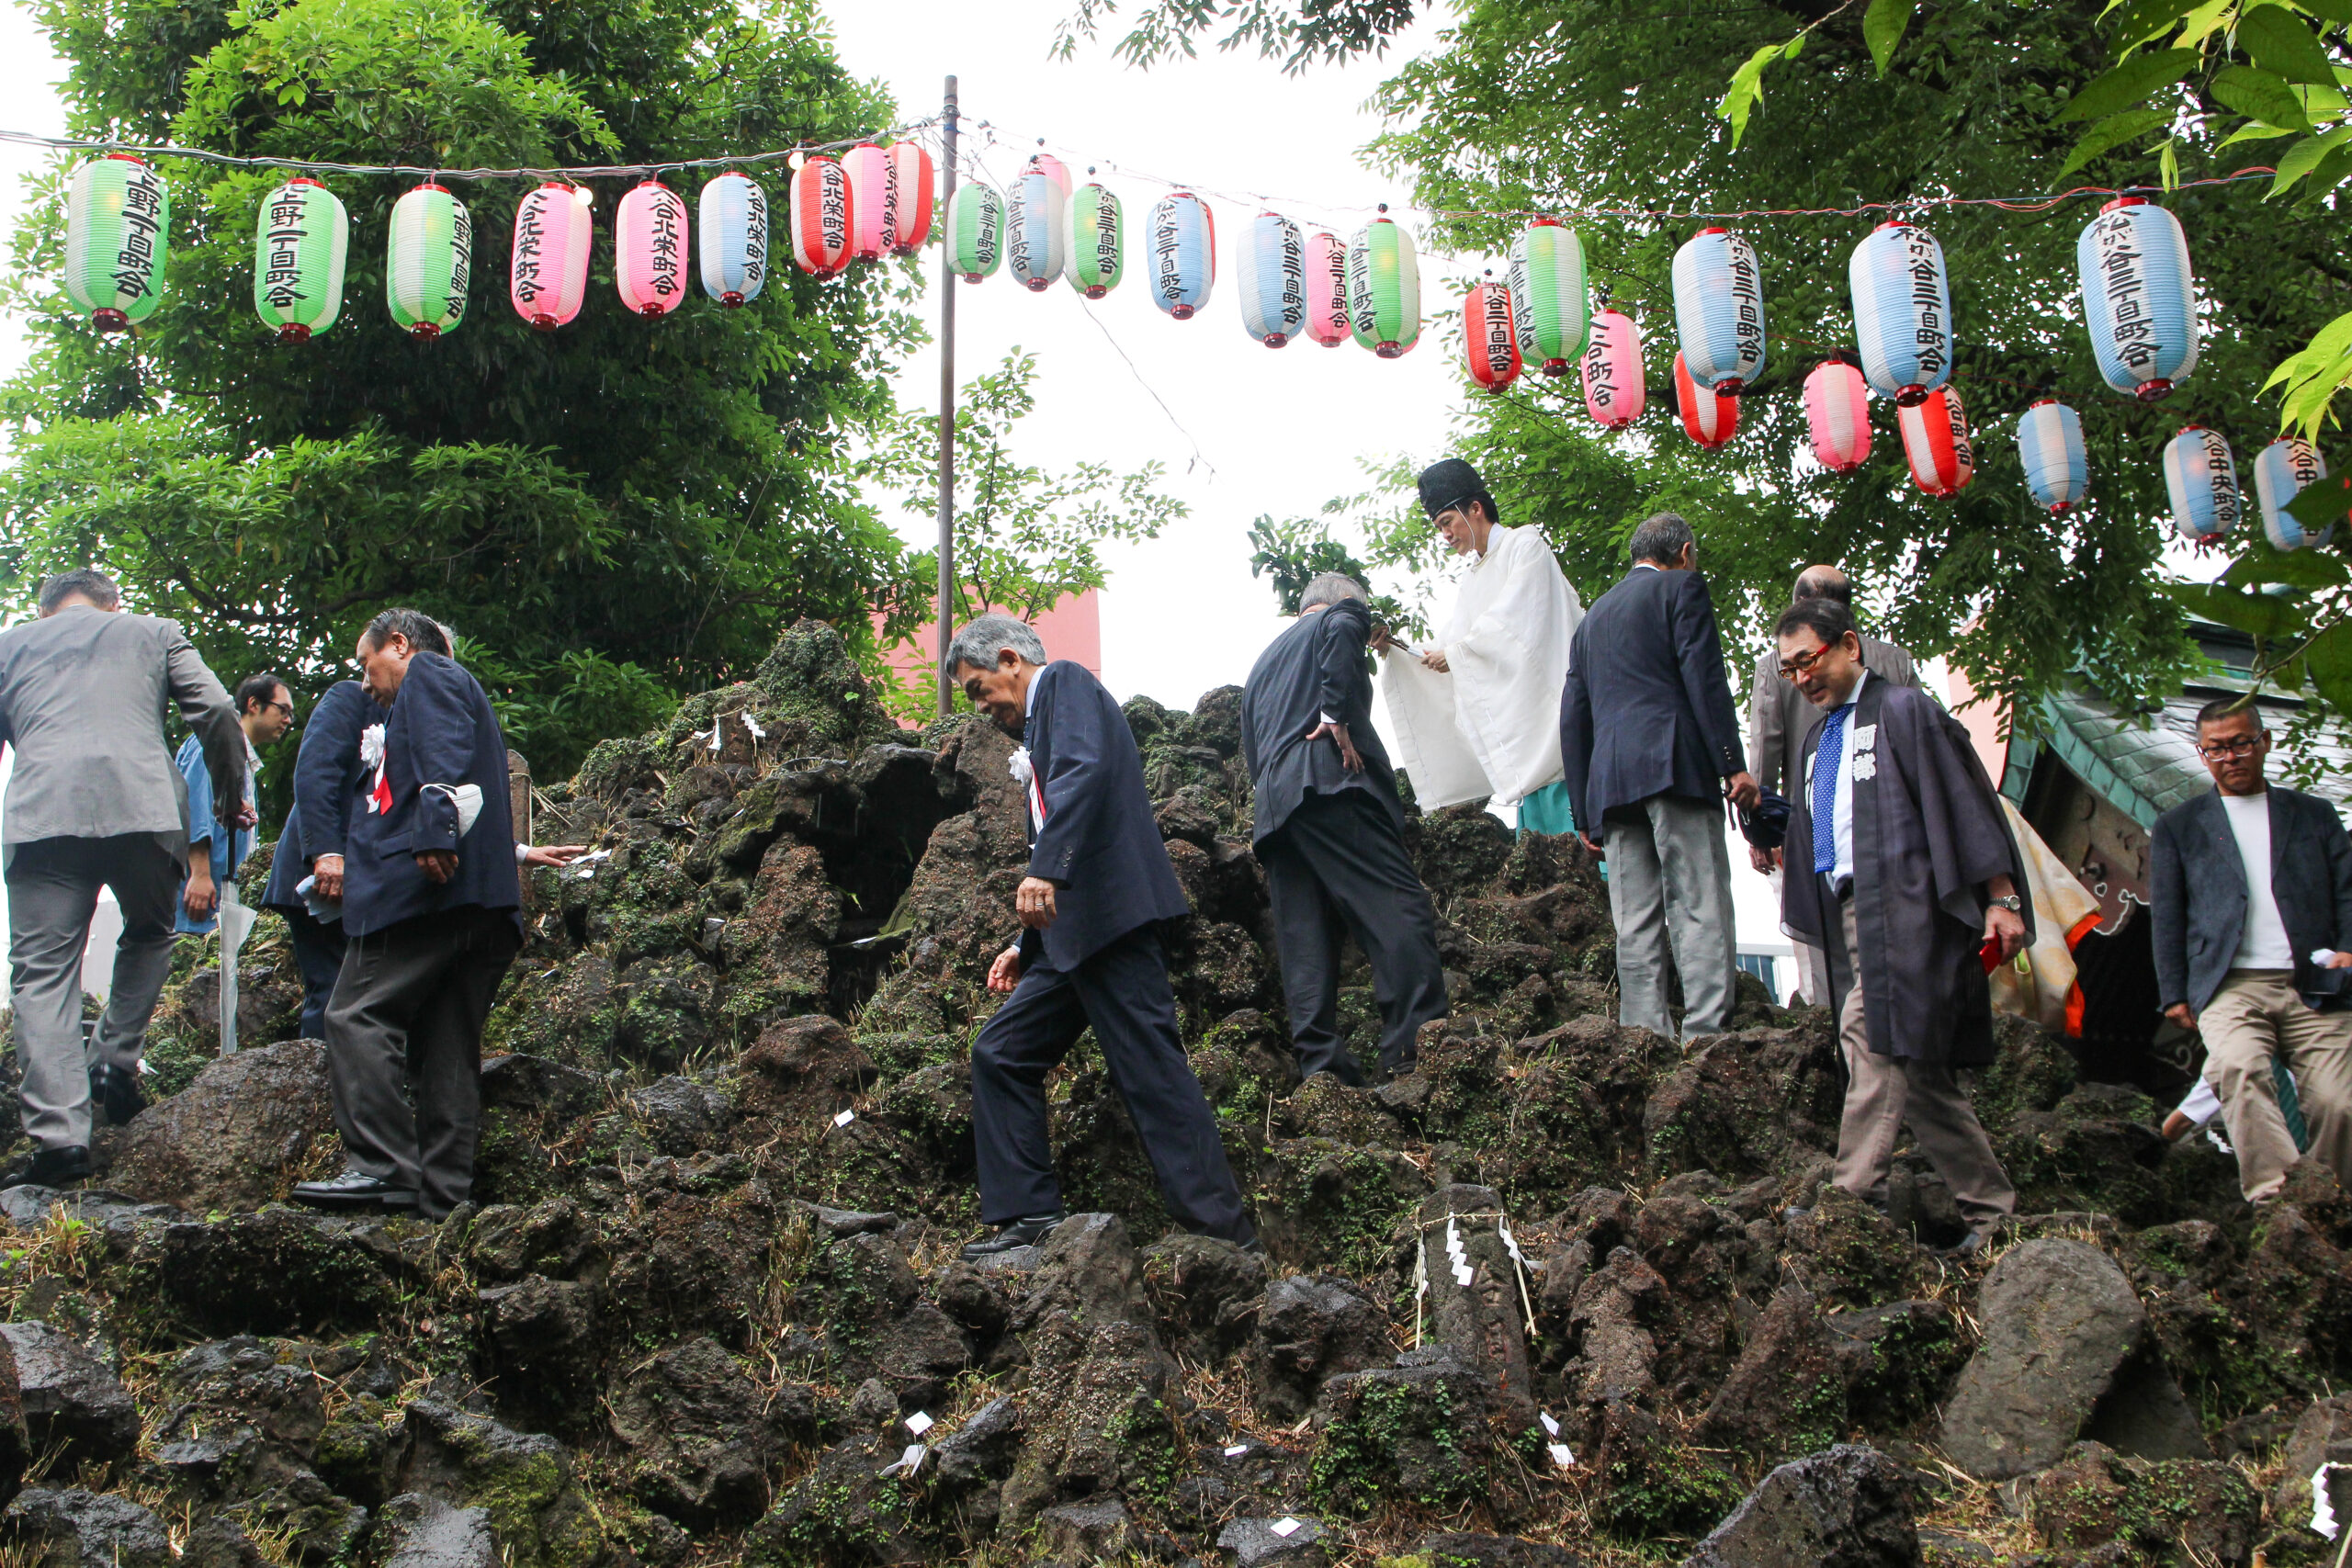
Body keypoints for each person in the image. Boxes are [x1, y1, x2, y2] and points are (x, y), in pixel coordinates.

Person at [947, 615, 1257, 1259]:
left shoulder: (1063, 684)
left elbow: (1084, 774)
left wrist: (1043, 869)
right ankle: (1029, 1218)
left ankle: (1227, 1239)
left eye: (980, 689)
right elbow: (1064, 820)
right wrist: (1021, 943)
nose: (984, 708)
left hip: (1110, 925)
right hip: (1067, 939)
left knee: (1153, 1076)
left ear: (1011, 660)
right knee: (1001, 1053)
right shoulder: (1041, 726)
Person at [1774, 597, 2028, 1253]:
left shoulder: (1905, 710)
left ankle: (1852, 1201)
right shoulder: (1815, 740)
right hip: (1853, 913)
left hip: (1911, 903)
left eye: (1810, 659)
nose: (1802, 677)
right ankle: (1994, 1211)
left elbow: (1965, 800)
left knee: (1870, 1031)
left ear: (1849, 646)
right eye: (1789, 669)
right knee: (1913, 1068)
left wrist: (2002, 897)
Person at [0, 569, 248, 1183]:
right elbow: (218, 709)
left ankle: (60, 1141)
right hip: (143, 812)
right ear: (113, 603)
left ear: (46, 608)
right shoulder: (154, 631)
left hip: (42, 818)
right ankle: (115, 1055)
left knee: (42, 975)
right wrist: (227, 795)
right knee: (150, 930)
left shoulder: (11, 645)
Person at [292, 609, 524, 1218]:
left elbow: (442, 757)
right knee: (447, 1043)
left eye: (368, 665)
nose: (365, 683)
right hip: (478, 904)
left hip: (422, 895)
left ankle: (380, 1166)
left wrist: (435, 825)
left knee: (353, 1013)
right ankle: (444, 1198)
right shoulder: (425, 698)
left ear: (399, 644)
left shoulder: (429, 674)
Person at [1558, 513, 1757, 1043]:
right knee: (1697, 898)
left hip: (1612, 783)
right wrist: (1731, 763)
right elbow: (1704, 676)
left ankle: (1644, 1037)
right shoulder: (1682, 587)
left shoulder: (1592, 619)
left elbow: (1573, 715)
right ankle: (1706, 1032)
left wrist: (1582, 810)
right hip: (1676, 766)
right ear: (1685, 553)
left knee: (1635, 917)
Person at [1241, 572, 1446, 1083]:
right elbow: (1347, 621)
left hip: (1275, 807)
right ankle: (1416, 1047)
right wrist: (1334, 711)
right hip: (1331, 783)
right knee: (1397, 906)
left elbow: (1252, 751)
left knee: (1304, 935)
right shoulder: (1342, 614)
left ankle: (1322, 1067)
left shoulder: (1261, 667)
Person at [2149, 700, 2352, 1202]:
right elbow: (2169, 914)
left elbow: (2348, 889)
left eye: (2241, 743)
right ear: (2202, 755)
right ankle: (2277, 1199)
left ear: (2264, 741)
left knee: (2340, 1103)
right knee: (2240, 1069)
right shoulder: (2180, 825)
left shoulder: (2313, 814)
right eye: (2216, 749)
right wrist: (2174, 992)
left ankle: (2327, 1203)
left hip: (2314, 982)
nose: (2231, 757)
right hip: (2228, 984)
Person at [1377, 457, 1584, 834]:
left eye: (1447, 523)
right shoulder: (1473, 578)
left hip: (1555, 735)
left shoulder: (1525, 545)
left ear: (1475, 509)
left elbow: (1516, 622)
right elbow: (1451, 642)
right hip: (1526, 759)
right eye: (1439, 527)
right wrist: (1393, 644)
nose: (1445, 535)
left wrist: (1456, 655)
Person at [1746, 567, 1921, 1005]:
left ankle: (1831, 1032)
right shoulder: (1895, 659)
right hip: (1895, 829)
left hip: (1809, 825)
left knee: (1819, 949)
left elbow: (1766, 743)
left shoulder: (1776, 666)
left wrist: (1761, 829)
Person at [259, 676, 384, 1042]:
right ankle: (318, 1090)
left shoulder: (412, 716)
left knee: (362, 995)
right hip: (321, 873)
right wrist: (327, 853)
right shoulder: (351, 699)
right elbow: (316, 770)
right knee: (332, 990)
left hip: (370, 880)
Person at [176, 673, 294, 937]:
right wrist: (200, 875)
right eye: (282, 709)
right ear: (254, 704)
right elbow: (192, 808)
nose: (288, 720)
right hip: (198, 900)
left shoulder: (245, 762)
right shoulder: (213, 743)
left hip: (220, 906)